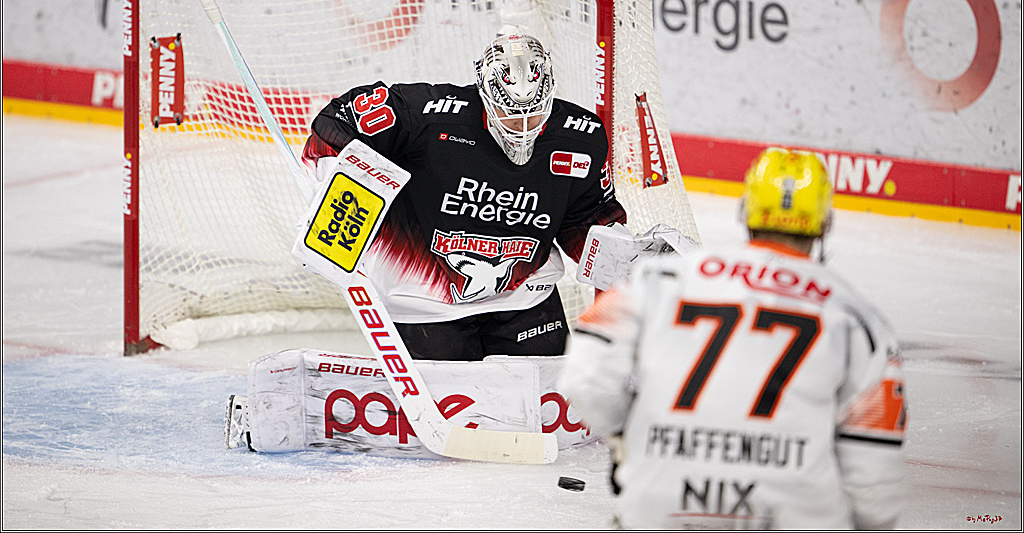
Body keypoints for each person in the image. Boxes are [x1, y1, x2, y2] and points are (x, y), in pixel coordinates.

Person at [558, 147, 907, 530]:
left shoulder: (663, 278)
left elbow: (586, 376)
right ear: (825, 222)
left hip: (662, 502)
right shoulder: (858, 319)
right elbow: (873, 463)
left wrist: (627, 438)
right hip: (789, 510)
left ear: (744, 211)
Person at [300, 30, 626, 361]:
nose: (522, 125)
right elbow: (333, 126)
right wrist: (342, 199)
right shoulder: (427, 115)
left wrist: (623, 253)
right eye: (509, 113)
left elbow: (585, 218)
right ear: (484, 94)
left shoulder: (581, 137)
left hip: (527, 301)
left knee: (547, 410)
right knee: (449, 413)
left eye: (536, 112)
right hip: (423, 306)